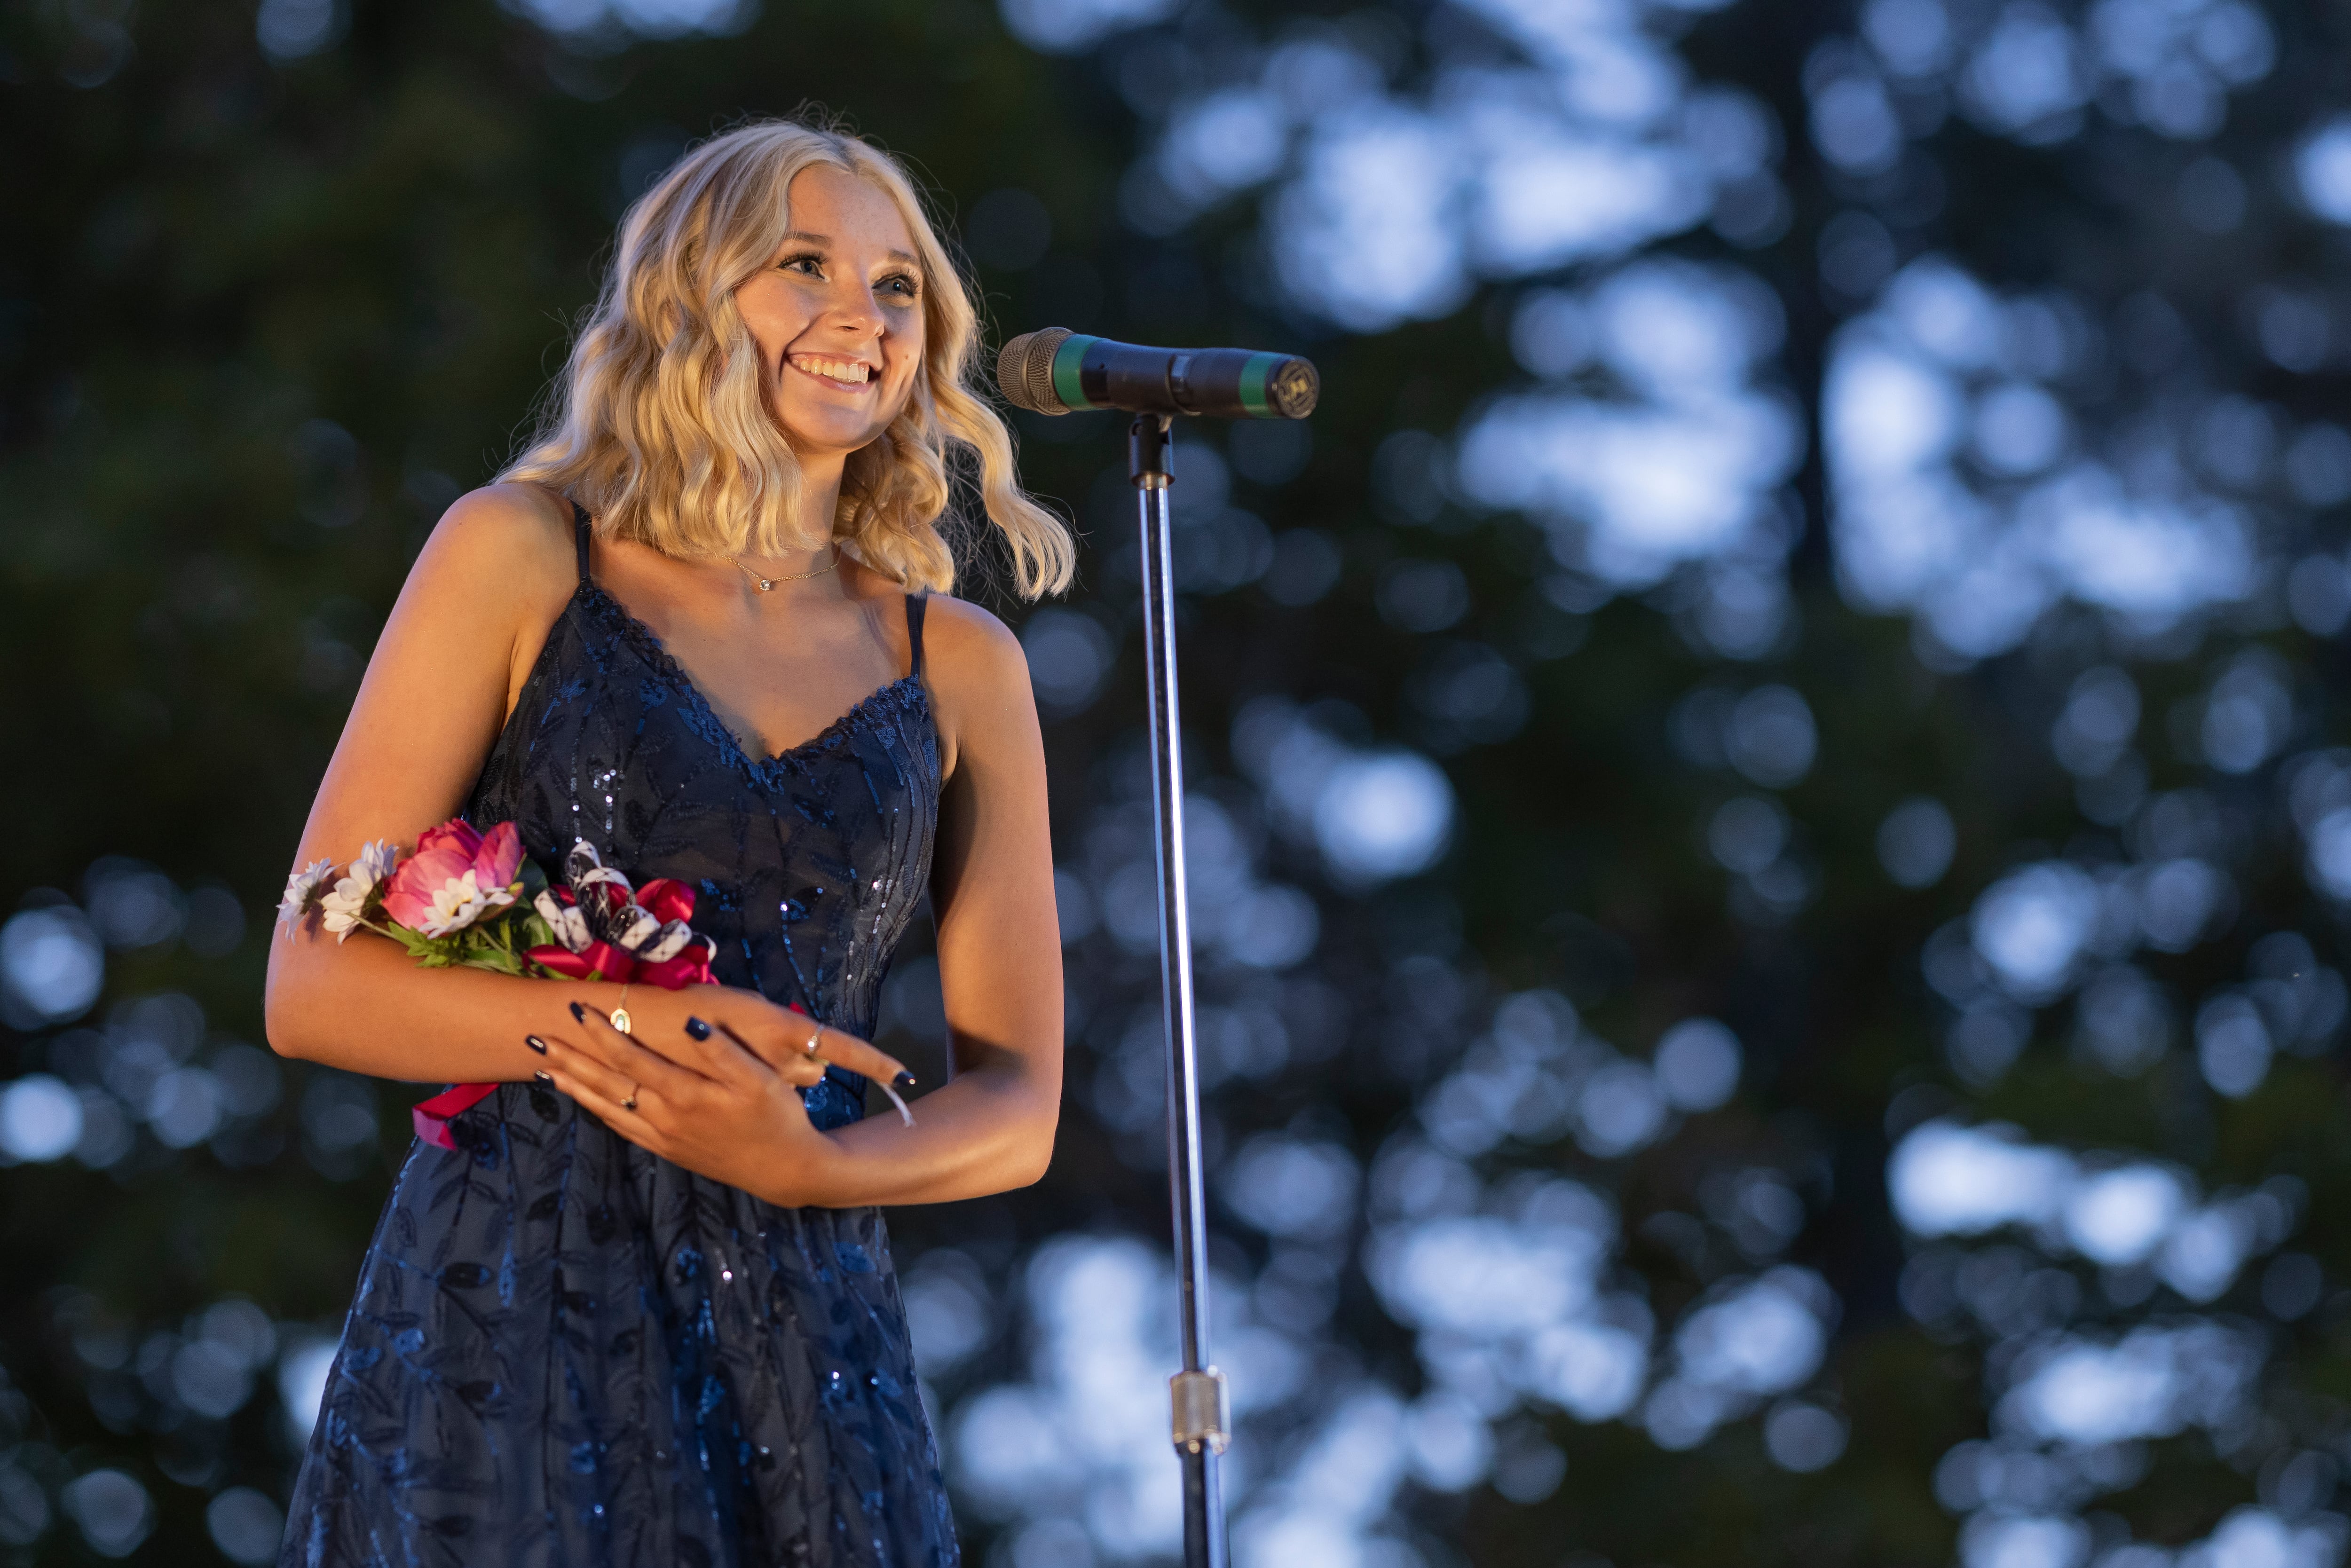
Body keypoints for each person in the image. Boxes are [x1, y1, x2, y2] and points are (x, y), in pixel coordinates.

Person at [262, 118, 1071, 1566]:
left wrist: (809, 1169)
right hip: (513, 1299)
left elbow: (1019, 1109)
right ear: (695, 296)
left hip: (814, 1338)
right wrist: (648, 1027)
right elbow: (314, 984)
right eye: (803, 265)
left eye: (897, 287)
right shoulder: (518, 553)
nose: (860, 315)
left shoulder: (961, 661)